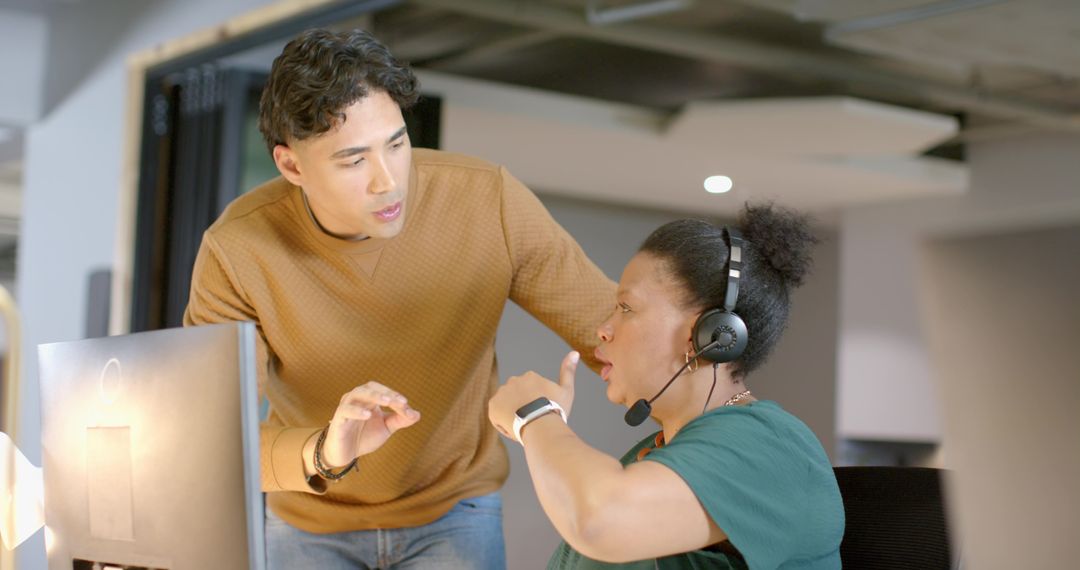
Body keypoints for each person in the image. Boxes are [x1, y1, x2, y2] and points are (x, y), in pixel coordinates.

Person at [183, 28, 615, 569]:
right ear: (292, 166)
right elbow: (219, 435)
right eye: (353, 160)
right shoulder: (237, 250)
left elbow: (617, 333)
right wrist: (326, 451)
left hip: (455, 508)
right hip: (307, 519)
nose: (388, 181)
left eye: (396, 143)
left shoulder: (488, 200)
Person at [489, 203, 845, 569]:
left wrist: (535, 417)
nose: (603, 328)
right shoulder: (656, 454)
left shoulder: (767, 447)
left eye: (626, 308)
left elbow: (600, 522)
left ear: (711, 334)